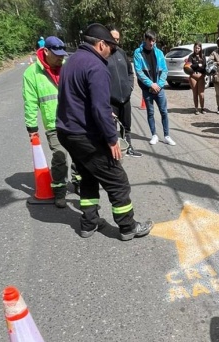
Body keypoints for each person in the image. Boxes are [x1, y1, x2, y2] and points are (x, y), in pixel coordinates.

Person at [56, 23, 153, 241]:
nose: (111, 51)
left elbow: (80, 99)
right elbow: (100, 107)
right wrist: (111, 139)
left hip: (67, 132)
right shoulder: (96, 65)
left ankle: (89, 223)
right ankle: (128, 227)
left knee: (88, 175)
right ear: (101, 44)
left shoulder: (71, 61)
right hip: (85, 135)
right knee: (117, 180)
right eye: (110, 46)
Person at [23, 36, 80, 208]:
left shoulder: (67, 67)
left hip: (74, 120)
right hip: (54, 124)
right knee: (60, 157)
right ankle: (60, 192)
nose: (61, 58)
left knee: (79, 155)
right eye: (57, 55)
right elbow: (30, 102)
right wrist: (32, 127)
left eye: (62, 55)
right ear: (46, 51)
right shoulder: (32, 73)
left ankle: (79, 182)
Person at [133, 30, 176, 146]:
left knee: (164, 112)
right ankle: (154, 135)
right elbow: (139, 72)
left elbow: (164, 70)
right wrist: (151, 84)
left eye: (153, 40)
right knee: (150, 112)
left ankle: (167, 135)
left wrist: (159, 85)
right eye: (149, 40)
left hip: (159, 89)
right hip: (147, 89)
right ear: (145, 39)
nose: (151, 43)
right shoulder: (138, 53)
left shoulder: (159, 53)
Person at [107, 26, 142, 158]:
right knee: (111, 128)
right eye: (113, 39)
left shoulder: (121, 52)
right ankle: (112, 152)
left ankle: (128, 147)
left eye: (117, 39)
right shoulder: (103, 54)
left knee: (126, 125)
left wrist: (130, 87)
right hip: (111, 100)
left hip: (125, 98)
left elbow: (130, 72)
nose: (115, 42)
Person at [186, 42, 206, 114]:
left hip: (201, 77)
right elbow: (190, 66)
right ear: (194, 48)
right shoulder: (191, 56)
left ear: (200, 48)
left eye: (198, 48)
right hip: (193, 77)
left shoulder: (203, 56)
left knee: (201, 93)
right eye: (196, 48)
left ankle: (203, 108)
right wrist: (198, 65)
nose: (197, 49)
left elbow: (204, 67)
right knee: (195, 93)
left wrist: (198, 66)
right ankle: (196, 109)